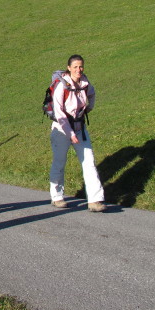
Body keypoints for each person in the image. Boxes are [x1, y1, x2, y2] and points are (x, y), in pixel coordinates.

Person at [49, 54, 106, 212]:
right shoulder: (62, 86)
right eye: (75, 67)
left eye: (81, 66)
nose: (78, 70)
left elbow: (92, 94)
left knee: (89, 162)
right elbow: (59, 112)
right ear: (69, 68)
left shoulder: (85, 83)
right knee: (59, 162)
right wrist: (70, 133)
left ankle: (95, 200)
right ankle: (57, 196)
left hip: (80, 128)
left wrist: (89, 108)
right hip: (61, 130)